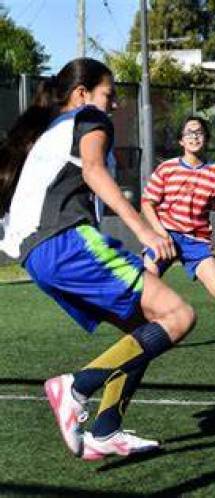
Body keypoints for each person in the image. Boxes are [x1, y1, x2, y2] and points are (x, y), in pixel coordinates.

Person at [0, 58, 195, 459]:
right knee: (178, 316)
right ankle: (74, 388)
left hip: (38, 256)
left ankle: (106, 431)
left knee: (143, 329)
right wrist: (146, 231)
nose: (114, 104)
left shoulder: (47, 134)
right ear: (82, 94)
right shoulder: (88, 118)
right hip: (65, 243)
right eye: (109, 94)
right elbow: (93, 171)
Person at [141, 116, 215, 341]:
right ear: (181, 141)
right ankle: (145, 338)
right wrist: (160, 233)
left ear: (205, 139)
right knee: (144, 286)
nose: (194, 136)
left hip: (196, 243)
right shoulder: (167, 169)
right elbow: (147, 203)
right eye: (189, 133)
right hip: (165, 236)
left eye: (199, 132)